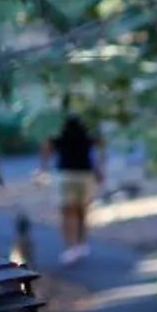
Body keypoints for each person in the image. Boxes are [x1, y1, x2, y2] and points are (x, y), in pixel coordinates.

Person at [40, 112, 101, 265]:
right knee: (82, 211)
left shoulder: (59, 132)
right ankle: (80, 244)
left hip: (65, 174)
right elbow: (99, 149)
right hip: (85, 174)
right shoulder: (88, 132)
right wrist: (99, 170)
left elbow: (46, 147)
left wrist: (44, 168)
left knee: (67, 213)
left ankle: (71, 246)